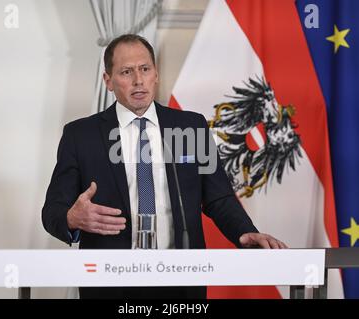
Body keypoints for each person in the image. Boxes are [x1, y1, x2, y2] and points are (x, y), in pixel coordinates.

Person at [42, 34, 287, 299]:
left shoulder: (191, 127)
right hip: (110, 283)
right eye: (126, 72)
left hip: (180, 281)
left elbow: (219, 198)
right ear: (108, 81)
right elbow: (52, 211)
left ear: (155, 74)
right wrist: (71, 219)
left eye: (145, 69)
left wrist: (245, 232)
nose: (138, 80)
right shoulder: (81, 135)